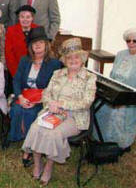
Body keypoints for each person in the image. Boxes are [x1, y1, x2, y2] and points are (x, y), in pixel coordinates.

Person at [22, 38, 96, 186]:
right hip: (52, 112)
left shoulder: (89, 77)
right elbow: (46, 94)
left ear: (82, 59)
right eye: (69, 57)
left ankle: (49, 167)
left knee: (53, 133)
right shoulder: (57, 74)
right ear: (65, 60)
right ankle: (37, 164)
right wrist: (51, 104)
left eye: (76, 57)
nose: (73, 60)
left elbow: (87, 102)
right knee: (36, 127)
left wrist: (62, 104)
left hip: (75, 117)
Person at [7, 27, 62, 167]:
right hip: (24, 96)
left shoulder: (54, 63)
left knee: (32, 113)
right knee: (17, 110)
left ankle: (29, 149)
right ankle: (20, 138)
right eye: (34, 43)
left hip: (42, 98)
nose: (37, 45)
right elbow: (17, 80)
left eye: (40, 42)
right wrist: (20, 97)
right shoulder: (25, 60)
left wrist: (39, 100)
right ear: (30, 46)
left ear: (46, 44)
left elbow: (55, 87)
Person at [95, 28, 136, 151]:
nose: (131, 43)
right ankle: (101, 138)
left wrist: (125, 96)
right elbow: (112, 76)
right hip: (117, 92)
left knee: (118, 111)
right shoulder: (121, 54)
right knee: (98, 104)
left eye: (135, 41)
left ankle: (119, 143)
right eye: (128, 40)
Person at [5, 5, 39, 78]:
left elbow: (41, 51)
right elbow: (9, 54)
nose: (25, 19)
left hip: (35, 69)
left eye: (28, 17)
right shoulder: (11, 30)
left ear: (32, 18)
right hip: (16, 70)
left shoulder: (38, 29)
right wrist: (16, 73)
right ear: (18, 18)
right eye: (22, 17)